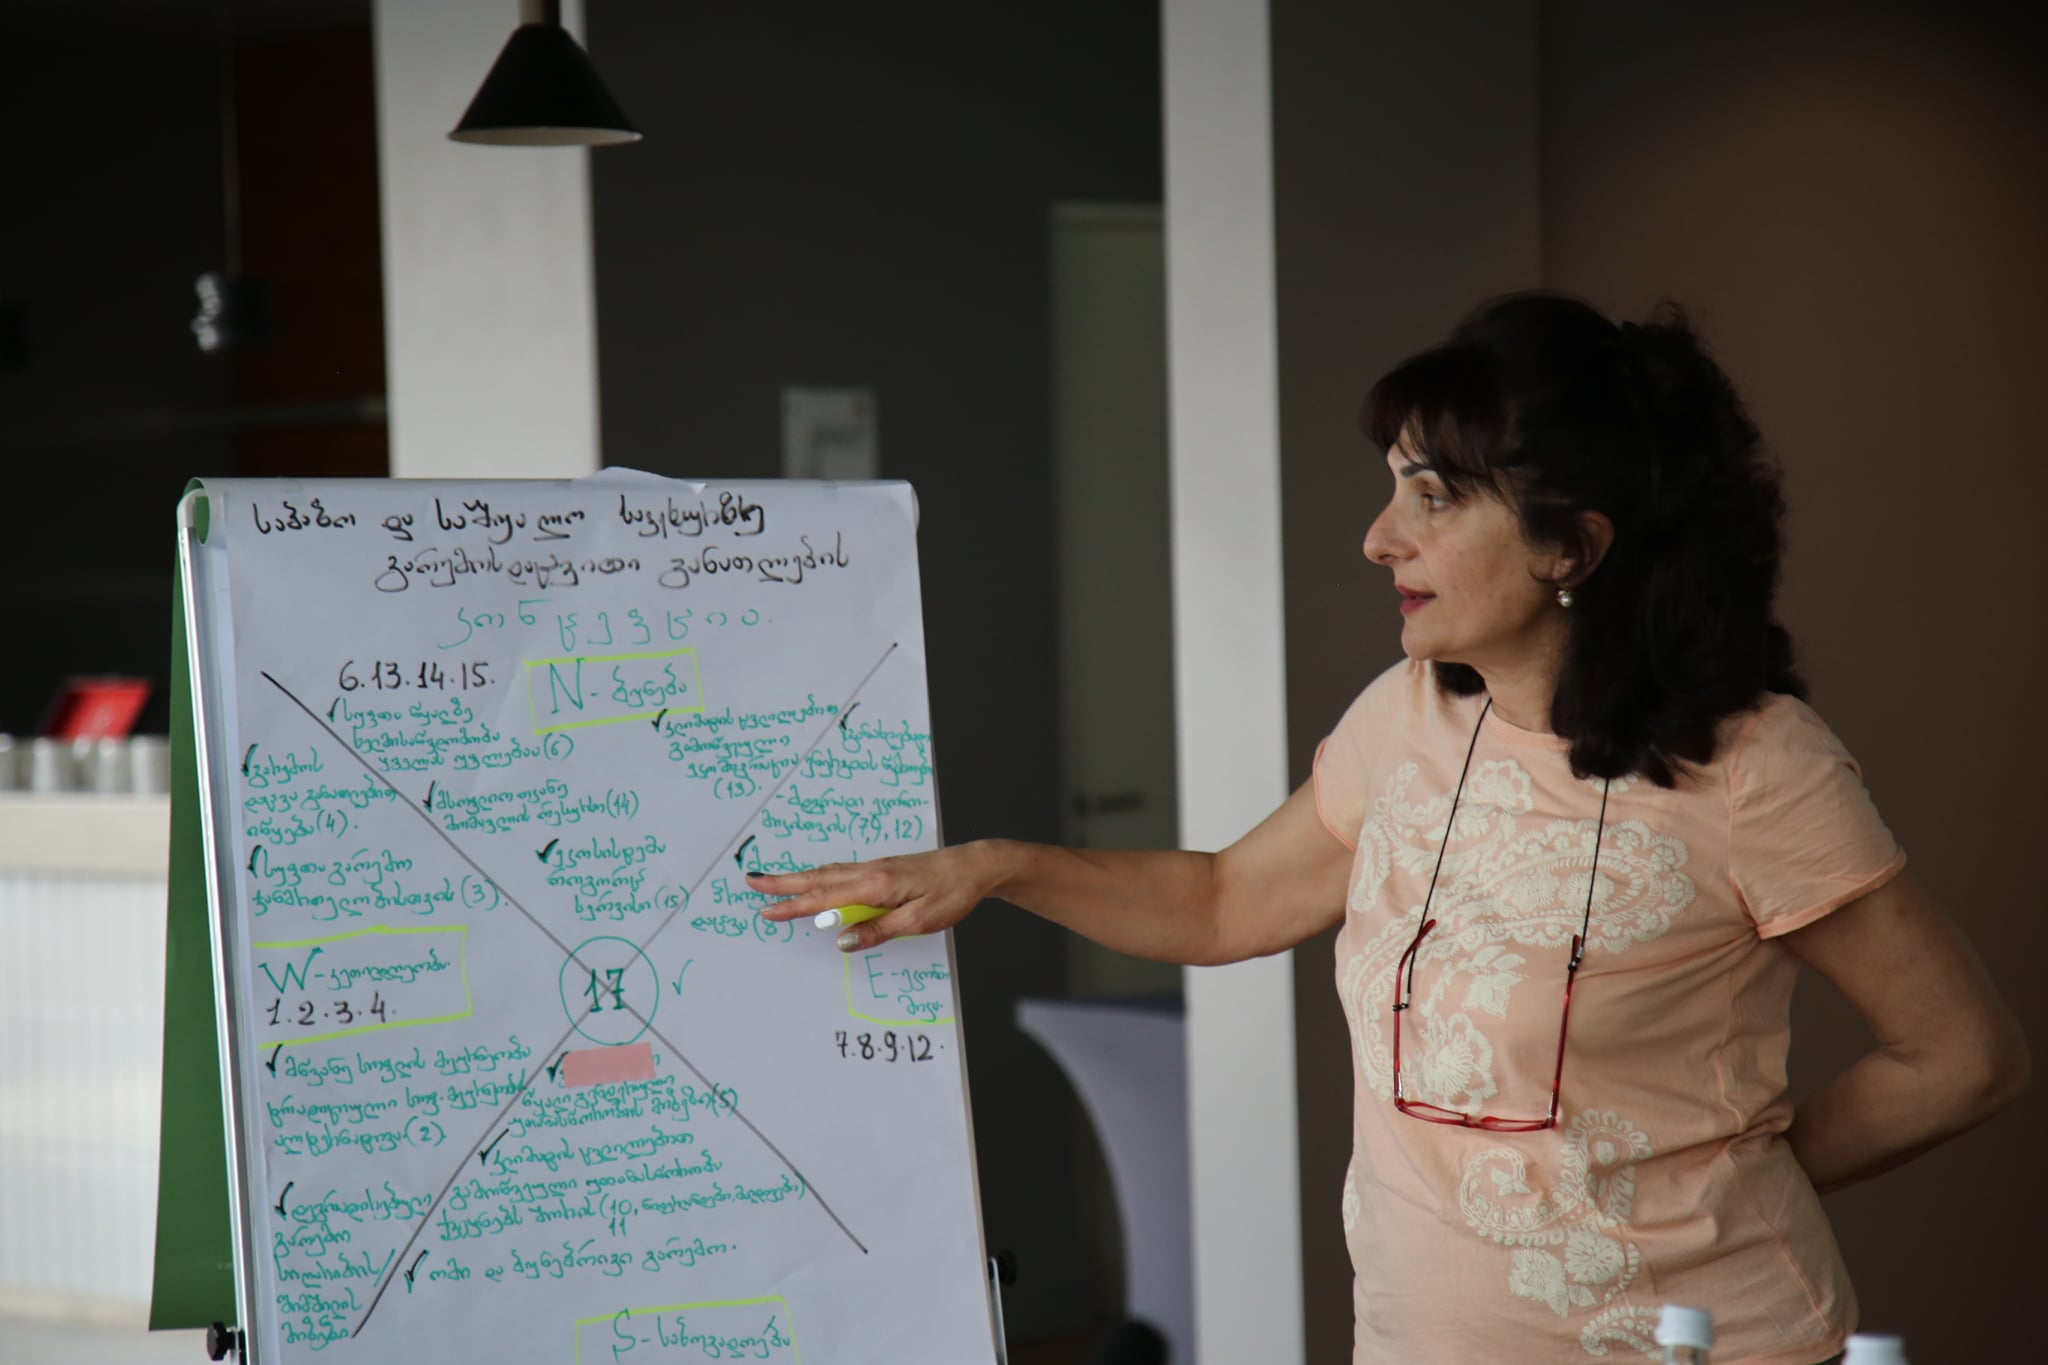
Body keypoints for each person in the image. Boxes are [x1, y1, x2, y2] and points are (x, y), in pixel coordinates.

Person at [751, 292, 2029, 1364]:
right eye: (1391, 490)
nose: (1378, 539)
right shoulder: (1405, 719)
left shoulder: (1754, 766)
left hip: (1698, 1343)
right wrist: (997, 869)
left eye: (1432, 496)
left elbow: (1958, 1056)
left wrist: (1743, 1174)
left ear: (1569, 545)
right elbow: (1222, 902)